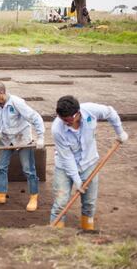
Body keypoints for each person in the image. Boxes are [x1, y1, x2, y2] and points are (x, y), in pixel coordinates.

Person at [50, 96, 128, 229]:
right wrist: (77, 180)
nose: (66, 122)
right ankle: (55, 235)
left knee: (89, 203)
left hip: (89, 163)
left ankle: (88, 232)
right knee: (60, 202)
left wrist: (120, 132)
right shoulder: (57, 129)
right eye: (63, 119)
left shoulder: (91, 110)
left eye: (68, 119)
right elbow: (67, 157)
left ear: (77, 113)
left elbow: (110, 112)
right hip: (64, 166)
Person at [0, 81, 45, 212]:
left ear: (2, 93)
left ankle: (33, 197)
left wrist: (41, 137)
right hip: (5, 139)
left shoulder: (16, 102)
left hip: (22, 139)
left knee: (28, 169)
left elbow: (34, 117)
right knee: (0, 167)